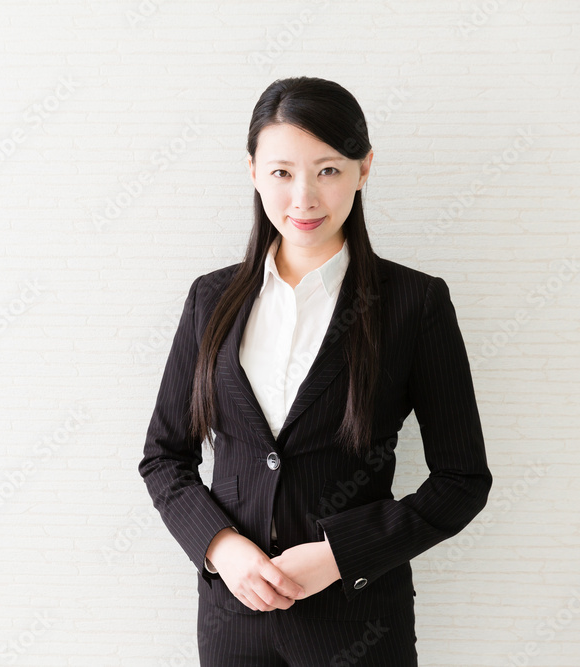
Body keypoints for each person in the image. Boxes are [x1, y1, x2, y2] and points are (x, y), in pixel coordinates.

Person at [137, 76, 493, 666]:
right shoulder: (210, 299)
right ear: (252, 170)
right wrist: (222, 548)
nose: (303, 198)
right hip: (233, 624)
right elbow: (164, 457)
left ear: (364, 168)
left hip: (359, 626)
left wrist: (338, 554)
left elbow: (461, 481)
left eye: (327, 170)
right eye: (281, 172)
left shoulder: (413, 303)